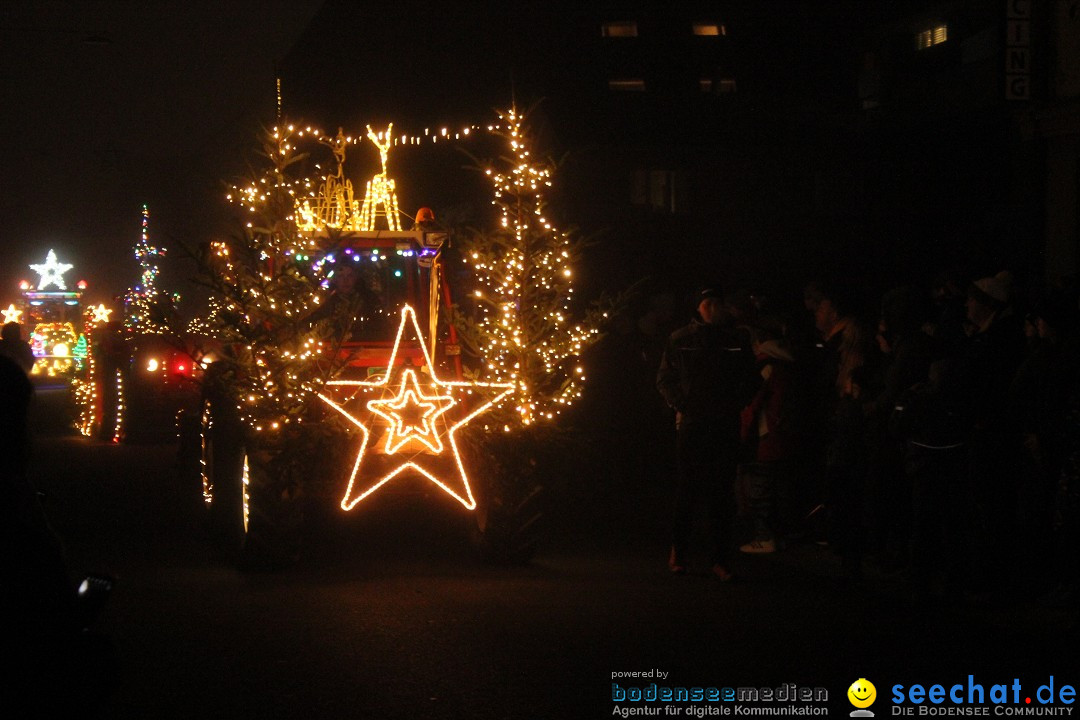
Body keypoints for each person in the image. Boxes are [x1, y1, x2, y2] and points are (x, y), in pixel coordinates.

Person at [657, 287, 756, 580]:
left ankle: (720, 558)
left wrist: (735, 403)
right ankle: (680, 551)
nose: (712, 308)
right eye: (707, 303)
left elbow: (751, 378)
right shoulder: (681, 339)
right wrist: (684, 404)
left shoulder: (737, 339)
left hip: (724, 423)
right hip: (695, 423)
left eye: (717, 302)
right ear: (698, 307)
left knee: (722, 492)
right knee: (688, 488)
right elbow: (665, 378)